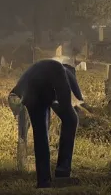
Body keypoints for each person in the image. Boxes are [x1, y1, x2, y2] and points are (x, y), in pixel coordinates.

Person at [8, 57, 86, 188]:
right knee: (70, 120)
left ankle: (45, 180)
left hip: (27, 92)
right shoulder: (61, 72)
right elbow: (67, 99)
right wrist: (67, 107)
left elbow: (72, 95)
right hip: (33, 93)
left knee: (41, 136)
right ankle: (62, 171)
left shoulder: (55, 70)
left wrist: (57, 104)